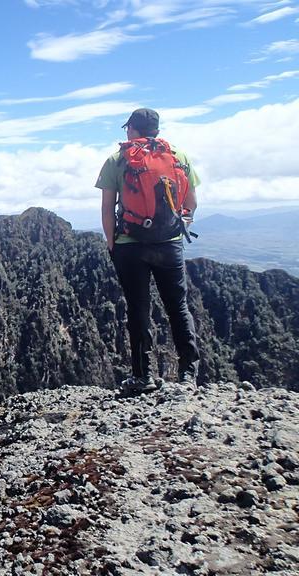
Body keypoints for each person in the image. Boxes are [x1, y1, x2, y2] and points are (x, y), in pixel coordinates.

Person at [96, 108, 201, 393]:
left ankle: (143, 377)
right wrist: (176, 227)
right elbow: (190, 201)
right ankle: (189, 374)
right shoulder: (178, 157)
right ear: (156, 129)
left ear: (131, 129)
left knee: (138, 308)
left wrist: (112, 242)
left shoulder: (117, 159)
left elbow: (107, 208)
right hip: (169, 244)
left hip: (131, 245)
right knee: (178, 306)